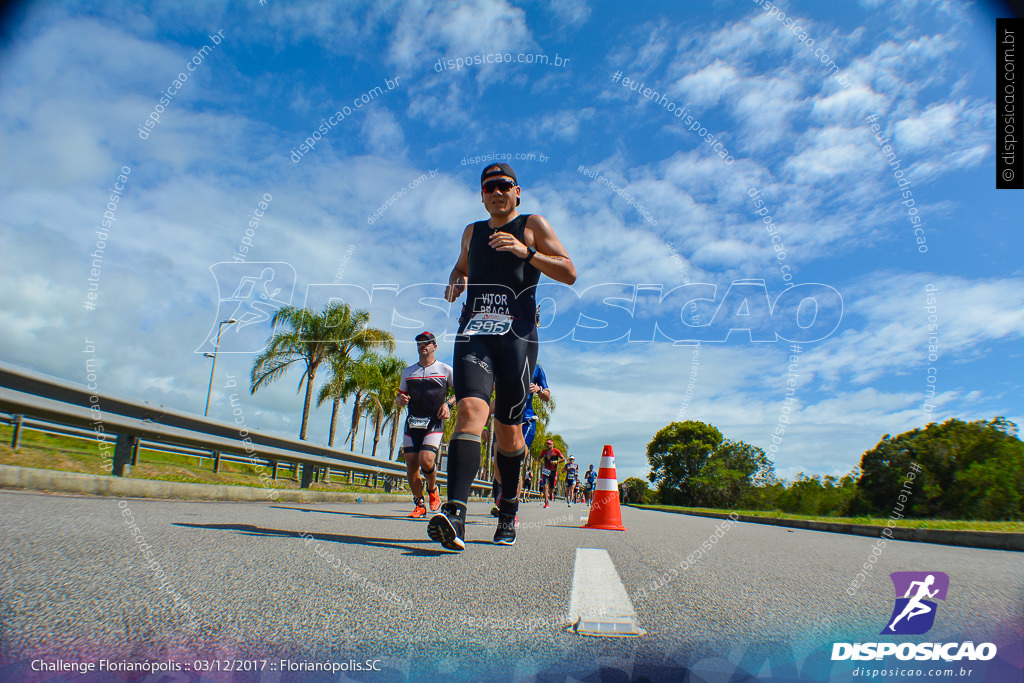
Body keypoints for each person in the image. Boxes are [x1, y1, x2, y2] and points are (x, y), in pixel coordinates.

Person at [429, 163, 576, 550]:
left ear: (517, 191)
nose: (496, 192)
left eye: (503, 186)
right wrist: (456, 278)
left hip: (518, 337)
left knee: (509, 433)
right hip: (475, 332)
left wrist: (526, 253)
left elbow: (569, 272)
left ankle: (508, 507)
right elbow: (462, 266)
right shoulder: (472, 232)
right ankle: (455, 514)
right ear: (481, 195)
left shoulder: (532, 225)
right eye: (488, 187)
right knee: (470, 411)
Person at [396, 331, 454, 519]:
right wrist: (400, 400)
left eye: (427, 343)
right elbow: (400, 396)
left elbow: (460, 392)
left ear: (434, 347)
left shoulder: (445, 369)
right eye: (420, 343)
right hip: (412, 422)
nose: (423, 346)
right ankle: (419, 504)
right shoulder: (408, 371)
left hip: (434, 422)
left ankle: (432, 488)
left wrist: (448, 404)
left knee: (426, 460)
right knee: (411, 464)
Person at [492, 360, 550, 516]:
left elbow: (547, 396)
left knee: (516, 462)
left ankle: (512, 509)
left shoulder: (536, 369)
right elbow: (489, 399)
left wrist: (538, 389)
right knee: (499, 465)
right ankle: (504, 497)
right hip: (505, 421)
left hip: (527, 421)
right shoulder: (503, 364)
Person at [539, 439, 564, 509]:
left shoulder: (556, 451)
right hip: (546, 470)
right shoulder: (544, 452)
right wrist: (540, 459)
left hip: (553, 471)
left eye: (549, 444)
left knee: (551, 488)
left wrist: (556, 462)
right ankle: (546, 502)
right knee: (545, 485)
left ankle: (551, 493)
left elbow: (563, 459)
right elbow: (540, 457)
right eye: (547, 444)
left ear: (552, 445)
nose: (548, 445)